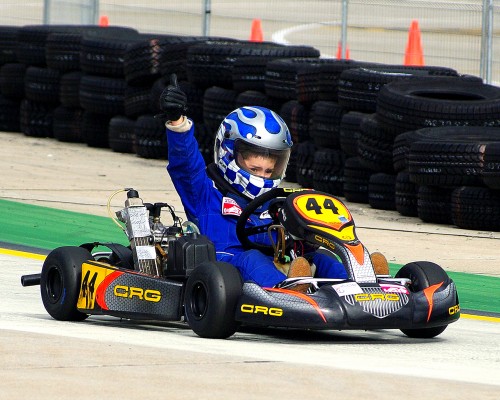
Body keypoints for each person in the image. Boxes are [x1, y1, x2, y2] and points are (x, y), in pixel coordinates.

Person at [159, 74, 387, 291]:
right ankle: (291, 292)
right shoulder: (205, 194)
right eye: (255, 169)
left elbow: (301, 245)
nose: (263, 176)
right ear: (228, 154)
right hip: (227, 272)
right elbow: (185, 165)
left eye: (269, 170)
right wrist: (177, 122)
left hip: (281, 265)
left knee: (320, 258)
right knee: (252, 257)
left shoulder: (277, 202)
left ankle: (364, 284)